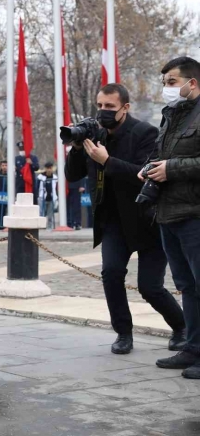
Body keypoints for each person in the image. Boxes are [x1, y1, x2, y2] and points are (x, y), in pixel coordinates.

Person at [67, 83, 185, 356]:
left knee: (150, 286)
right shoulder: (95, 135)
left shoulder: (146, 133)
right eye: (99, 106)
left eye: (109, 107)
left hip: (147, 219)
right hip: (112, 221)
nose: (103, 112)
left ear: (125, 108)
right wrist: (76, 148)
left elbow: (144, 174)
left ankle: (181, 327)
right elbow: (72, 176)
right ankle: (123, 332)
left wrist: (107, 161)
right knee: (111, 274)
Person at [142, 57, 200, 378]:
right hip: (168, 212)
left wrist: (171, 168)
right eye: (164, 83)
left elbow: (179, 162)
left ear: (192, 83)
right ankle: (192, 347)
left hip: (194, 213)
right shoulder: (170, 116)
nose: (166, 89)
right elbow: (160, 155)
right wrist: (149, 167)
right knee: (186, 286)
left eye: (172, 82)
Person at [37, 162, 58, 230]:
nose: (49, 170)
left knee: (50, 214)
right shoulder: (40, 177)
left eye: (50, 168)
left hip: (51, 197)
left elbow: (56, 188)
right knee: (41, 212)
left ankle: (49, 227)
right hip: (42, 197)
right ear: (45, 169)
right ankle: (41, 226)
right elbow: (37, 187)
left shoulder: (55, 177)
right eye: (47, 168)